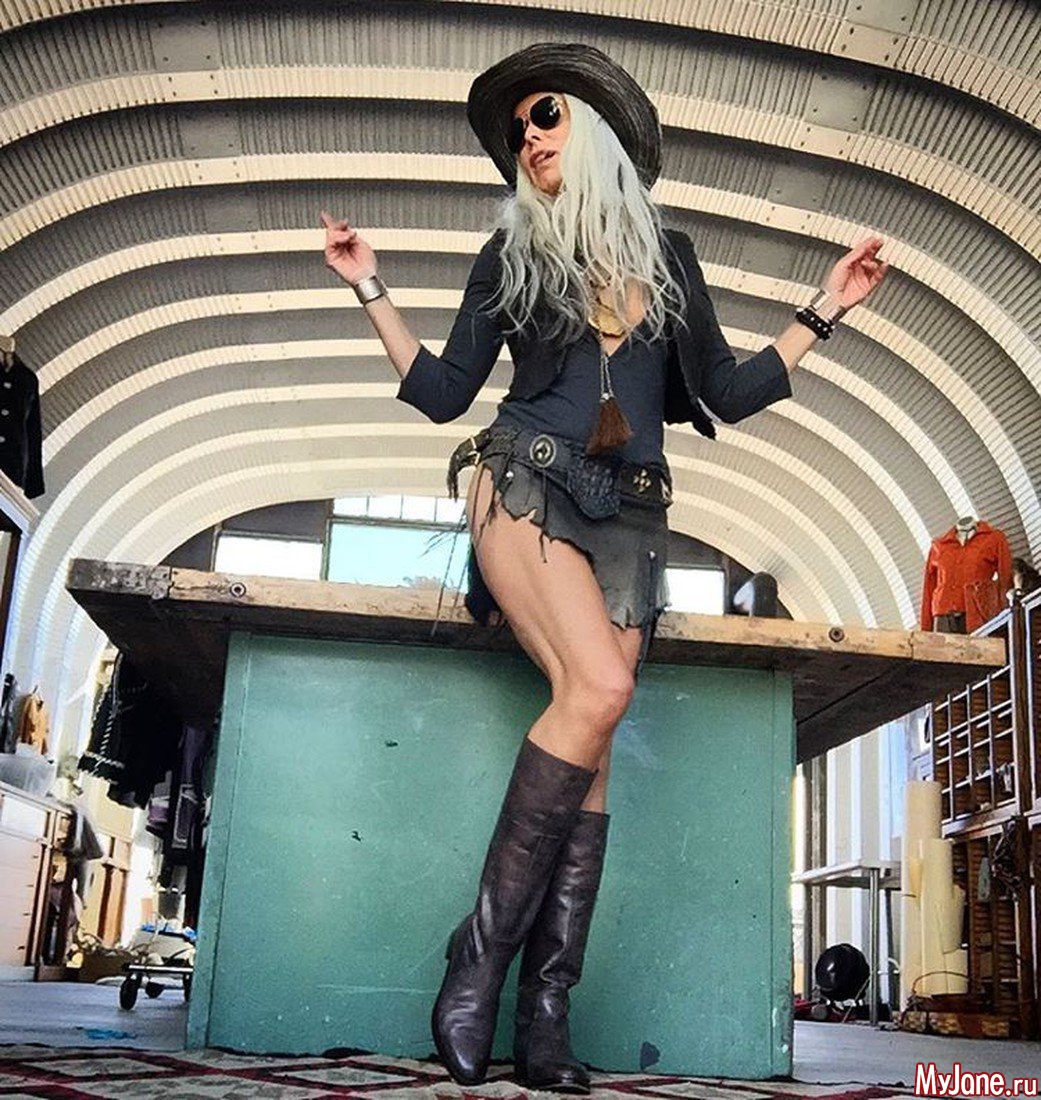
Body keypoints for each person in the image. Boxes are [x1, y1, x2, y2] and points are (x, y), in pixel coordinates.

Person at [320, 42, 888, 1092]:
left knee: (596, 739)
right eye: (517, 132)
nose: (528, 138)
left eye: (544, 115)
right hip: (524, 480)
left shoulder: (668, 255)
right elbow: (444, 393)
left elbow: (725, 390)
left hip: (632, 513)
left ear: (595, 127)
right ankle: (474, 965)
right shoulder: (511, 255)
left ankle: (546, 1011)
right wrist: (370, 287)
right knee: (602, 689)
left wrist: (826, 306)